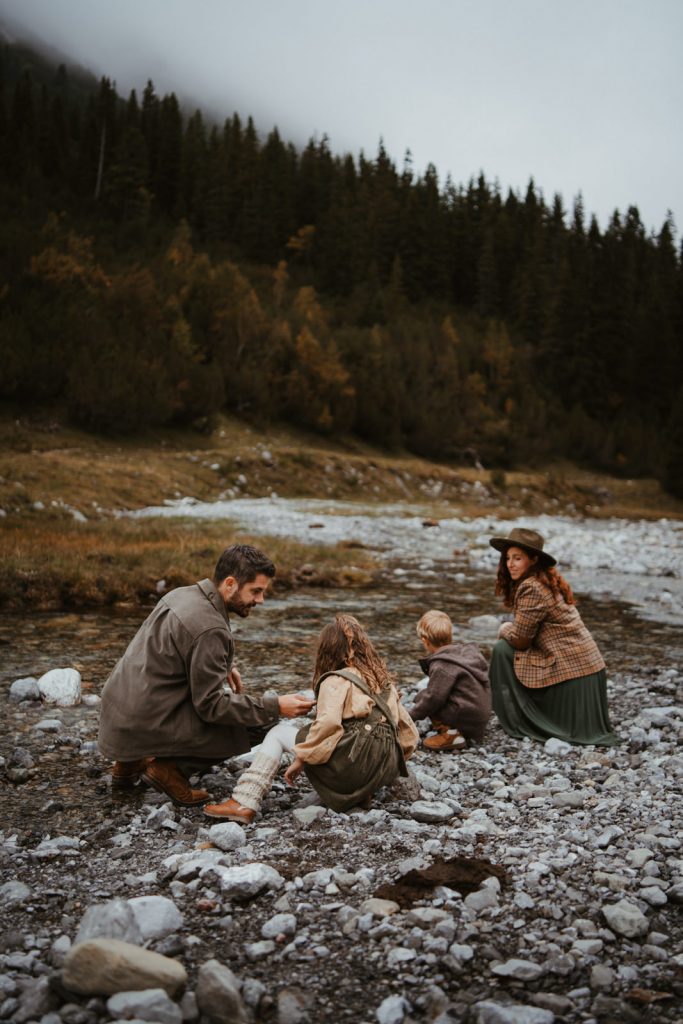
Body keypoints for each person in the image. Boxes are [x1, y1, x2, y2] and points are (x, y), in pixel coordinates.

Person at [98, 544, 314, 806]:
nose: (260, 600)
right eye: (255, 591)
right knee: (260, 721)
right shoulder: (210, 628)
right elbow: (211, 707)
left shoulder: (182, 595)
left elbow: (170, 653)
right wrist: (276, 706)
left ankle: (128, 764)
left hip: (118, 718)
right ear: (231, 583)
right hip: (140, 724)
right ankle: (171, 770)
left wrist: (224, 665)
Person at [203, 613, 419, 823]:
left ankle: (244, 801)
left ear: (328, 651)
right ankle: (362, 793)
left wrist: (301, 758)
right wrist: (382, 764)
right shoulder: (384, 683)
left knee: (278, 733)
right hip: (378, 773)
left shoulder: (335, 680)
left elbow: (327, 725)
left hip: (350, 770)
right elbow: (409, 734)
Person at [488, 527, 619, 746]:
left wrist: (504, 629)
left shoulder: (531, 587)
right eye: (508, 558)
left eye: (517, 558)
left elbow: (521, 640)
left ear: (534, 559)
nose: (510, 563)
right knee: (508, 649)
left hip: (576, 675)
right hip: (589, 669)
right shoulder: (545, 580)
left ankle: (520, 718)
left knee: (502, 650)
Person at [410, 610, 491, 751]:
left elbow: (433, 698)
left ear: (425, 641)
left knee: (423, 697)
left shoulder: (442, 665)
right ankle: (460, 731)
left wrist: (410, 717)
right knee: (430, 696)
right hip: (480, 714)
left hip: (467, 715)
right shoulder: (463, 654)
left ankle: (452, 735)